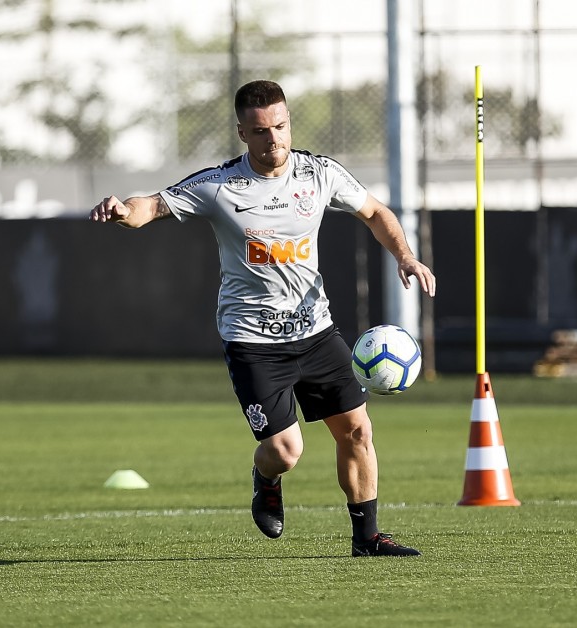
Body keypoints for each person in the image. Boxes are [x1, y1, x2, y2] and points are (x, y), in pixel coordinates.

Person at [90, 80, 436, 557]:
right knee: (286, 451)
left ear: (289, 123)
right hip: (252, 341)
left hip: (317, 332)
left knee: (357, 430)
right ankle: (266, 477)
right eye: (260, 131)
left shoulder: (319, 174)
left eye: (280, 126)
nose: (273, 139)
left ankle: (367, 538)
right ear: (242, 133)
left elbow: (375, 211)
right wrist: (123, 209)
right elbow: (152, 206)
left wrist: (405, 255)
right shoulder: (220, 185)